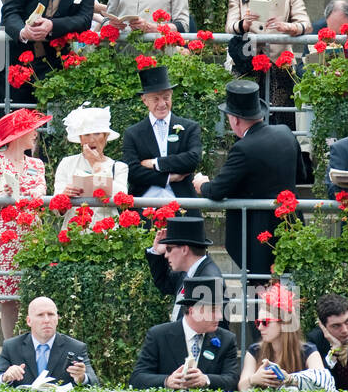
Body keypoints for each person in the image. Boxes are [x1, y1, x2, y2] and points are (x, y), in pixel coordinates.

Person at [194, 80, 300, 281]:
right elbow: (302, 174)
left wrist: (202, 184)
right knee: (290, 293)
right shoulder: (285, 133)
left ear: (234, 119)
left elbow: (217, 190)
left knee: (258, 294)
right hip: (291, 226)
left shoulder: (243, 148)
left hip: (259, 235)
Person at [226, 0, 310, 126]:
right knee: (247, 117)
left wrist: (287, 27)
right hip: (247, 64)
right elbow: (230, 26)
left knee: (280, 119)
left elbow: (305, 24)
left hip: (280, 66)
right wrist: (244, 25)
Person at [0, 108, 50, 338]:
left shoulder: (37, 164)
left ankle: (34, 349)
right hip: (7, 233)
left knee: (34, 294)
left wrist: (23, 193)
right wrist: (5, 192)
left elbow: (42, 190)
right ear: (17, 134)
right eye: (31, 130)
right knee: (8, 299)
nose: (35, 134)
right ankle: (10, 350)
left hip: (32, 231)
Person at [130, 276, 240, 391]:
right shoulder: (158, 335)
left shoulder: (227, 339)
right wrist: (167, 381)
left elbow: (233, 380)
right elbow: (137, 378)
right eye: (213, 310)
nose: (220, 316)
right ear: (193, 311)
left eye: (219, 310)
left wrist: (206, 380)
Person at [124, 65, 201, 205]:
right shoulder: (132, 133)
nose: (162, 104)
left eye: (166, 97)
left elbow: (192, 159)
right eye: (155, 99)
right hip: (145, 206)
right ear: (144, 100)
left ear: (172, 95)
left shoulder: (190, 127)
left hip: (182, 204)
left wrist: (155, 163)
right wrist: (168, 178)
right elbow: (132, 171)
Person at [239, 285, 333, 391]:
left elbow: (322, 381)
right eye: (258, 322)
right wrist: (254, 379)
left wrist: (290, 379)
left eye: (265, 322)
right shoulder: (255, 350)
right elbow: (242, 387)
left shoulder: (308, 350)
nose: (260, 327)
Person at [0, 296, 97, 386]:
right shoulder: (12, 346)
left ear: (57, 319)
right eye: (40, 315)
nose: (46, 320)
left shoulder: (76, 347)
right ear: (29, 321)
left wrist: (82, 378)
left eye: (51, 314)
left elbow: (94, 383)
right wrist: (5, 377)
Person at [54, 106, 128, 214]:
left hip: (107, 229)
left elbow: (122, 198)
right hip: (73, 228)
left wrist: (97, 165)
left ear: (105, 137)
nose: (92, 139)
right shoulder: (67, 163)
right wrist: (63, 197)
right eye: (86, 135)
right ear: (80, 139)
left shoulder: (118, 167)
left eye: (97, 133)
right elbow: (56, 211)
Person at [143, 216, 219, 315]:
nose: (165, 255)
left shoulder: (208, 280)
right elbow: (164, 284)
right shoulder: (190, 271)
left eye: (169, 249)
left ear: (184, 250)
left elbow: (208, 328)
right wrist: (157, 252)